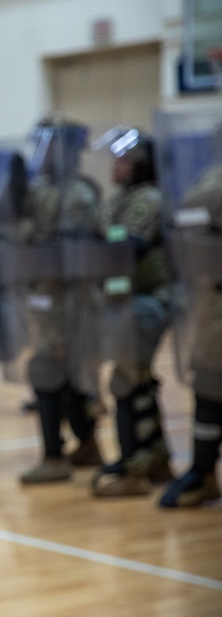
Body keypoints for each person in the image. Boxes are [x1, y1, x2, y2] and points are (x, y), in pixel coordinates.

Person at [13, 117, 105, 484]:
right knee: (64, 372)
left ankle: (56, 456)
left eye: (49, 144)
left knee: (52, 371)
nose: (42, 151)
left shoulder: (77, 192)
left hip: (70, 298)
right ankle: (87, 443)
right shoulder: (43, 188)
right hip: (47, 295)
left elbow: (68, 246)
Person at [90, 128, 172, 497]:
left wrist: (99, 246)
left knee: (127, 381)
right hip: (121, 301)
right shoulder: (117, 200)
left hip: (146, 300)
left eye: (122, 160)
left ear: (139, 165)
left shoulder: (149, 198)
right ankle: (154, 458)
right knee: (135, 380)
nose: (115, 166)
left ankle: (134, 467)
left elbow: (129, 245)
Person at [159, 123, 222, 508]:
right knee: (209, 390)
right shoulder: (213, 179)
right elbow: (191, 207)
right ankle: (201, 472)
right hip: (211, 305)